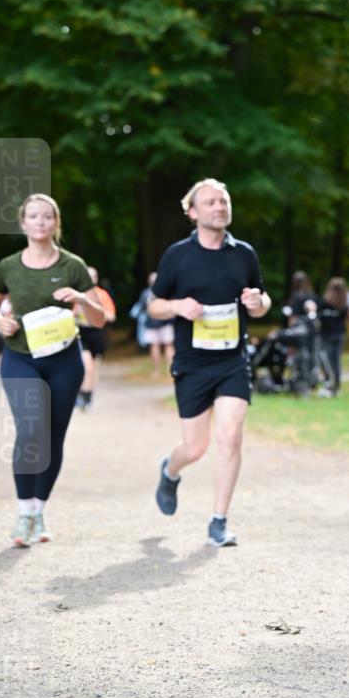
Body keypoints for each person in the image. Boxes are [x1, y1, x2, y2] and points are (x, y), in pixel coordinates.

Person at [148, 178, 271, 546]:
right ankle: (170, 471)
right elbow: (154, 305)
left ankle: (219, 520)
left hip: (233, 360)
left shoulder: (243, 253)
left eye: (224, 200)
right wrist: (176, 306)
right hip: (192, 363)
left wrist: (257, 303)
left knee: (230, 436)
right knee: (196, 448)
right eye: (211, 202)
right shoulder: (177, 255)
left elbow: (262, 301)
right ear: (193, 212)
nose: (219, 207)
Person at [0, 193, 105, 547]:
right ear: (23, 223)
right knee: (30, 428)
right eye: (33, 216)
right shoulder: (8, 266)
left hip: (64, 360)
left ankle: (39, 510)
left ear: (56, 223)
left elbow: (99, 317)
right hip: (21, 357)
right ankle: (23, 514)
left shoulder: (72, 266)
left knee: (52, 437)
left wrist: (82, 299)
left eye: (47, 216)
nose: (40, 222)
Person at [75, 267, 116, 410]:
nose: (91, 279)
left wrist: (97, 313)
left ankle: (88, 396)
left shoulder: (102, 295)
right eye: (88, 276)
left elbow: (111, 316)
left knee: (94, 368)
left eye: (93, 276)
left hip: (97, 334)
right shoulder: (77, 295)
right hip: (81, 333)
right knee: (86, 366)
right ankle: (83, 395)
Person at [132, 273, 175, 378]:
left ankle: (156, 371)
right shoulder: (167, 292)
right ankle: (170, 369)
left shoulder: (146, 293)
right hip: (165, 322)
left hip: (152, 324)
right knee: (168, 345)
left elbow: (141, 309)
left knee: (155, 346)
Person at [318, 277, 348, 394]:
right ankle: (335, 385)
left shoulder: (324, 302)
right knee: (335, 361)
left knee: (326, 361)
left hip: (328, 335)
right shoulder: (343, 303)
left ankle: (328, 382)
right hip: (339, 334)